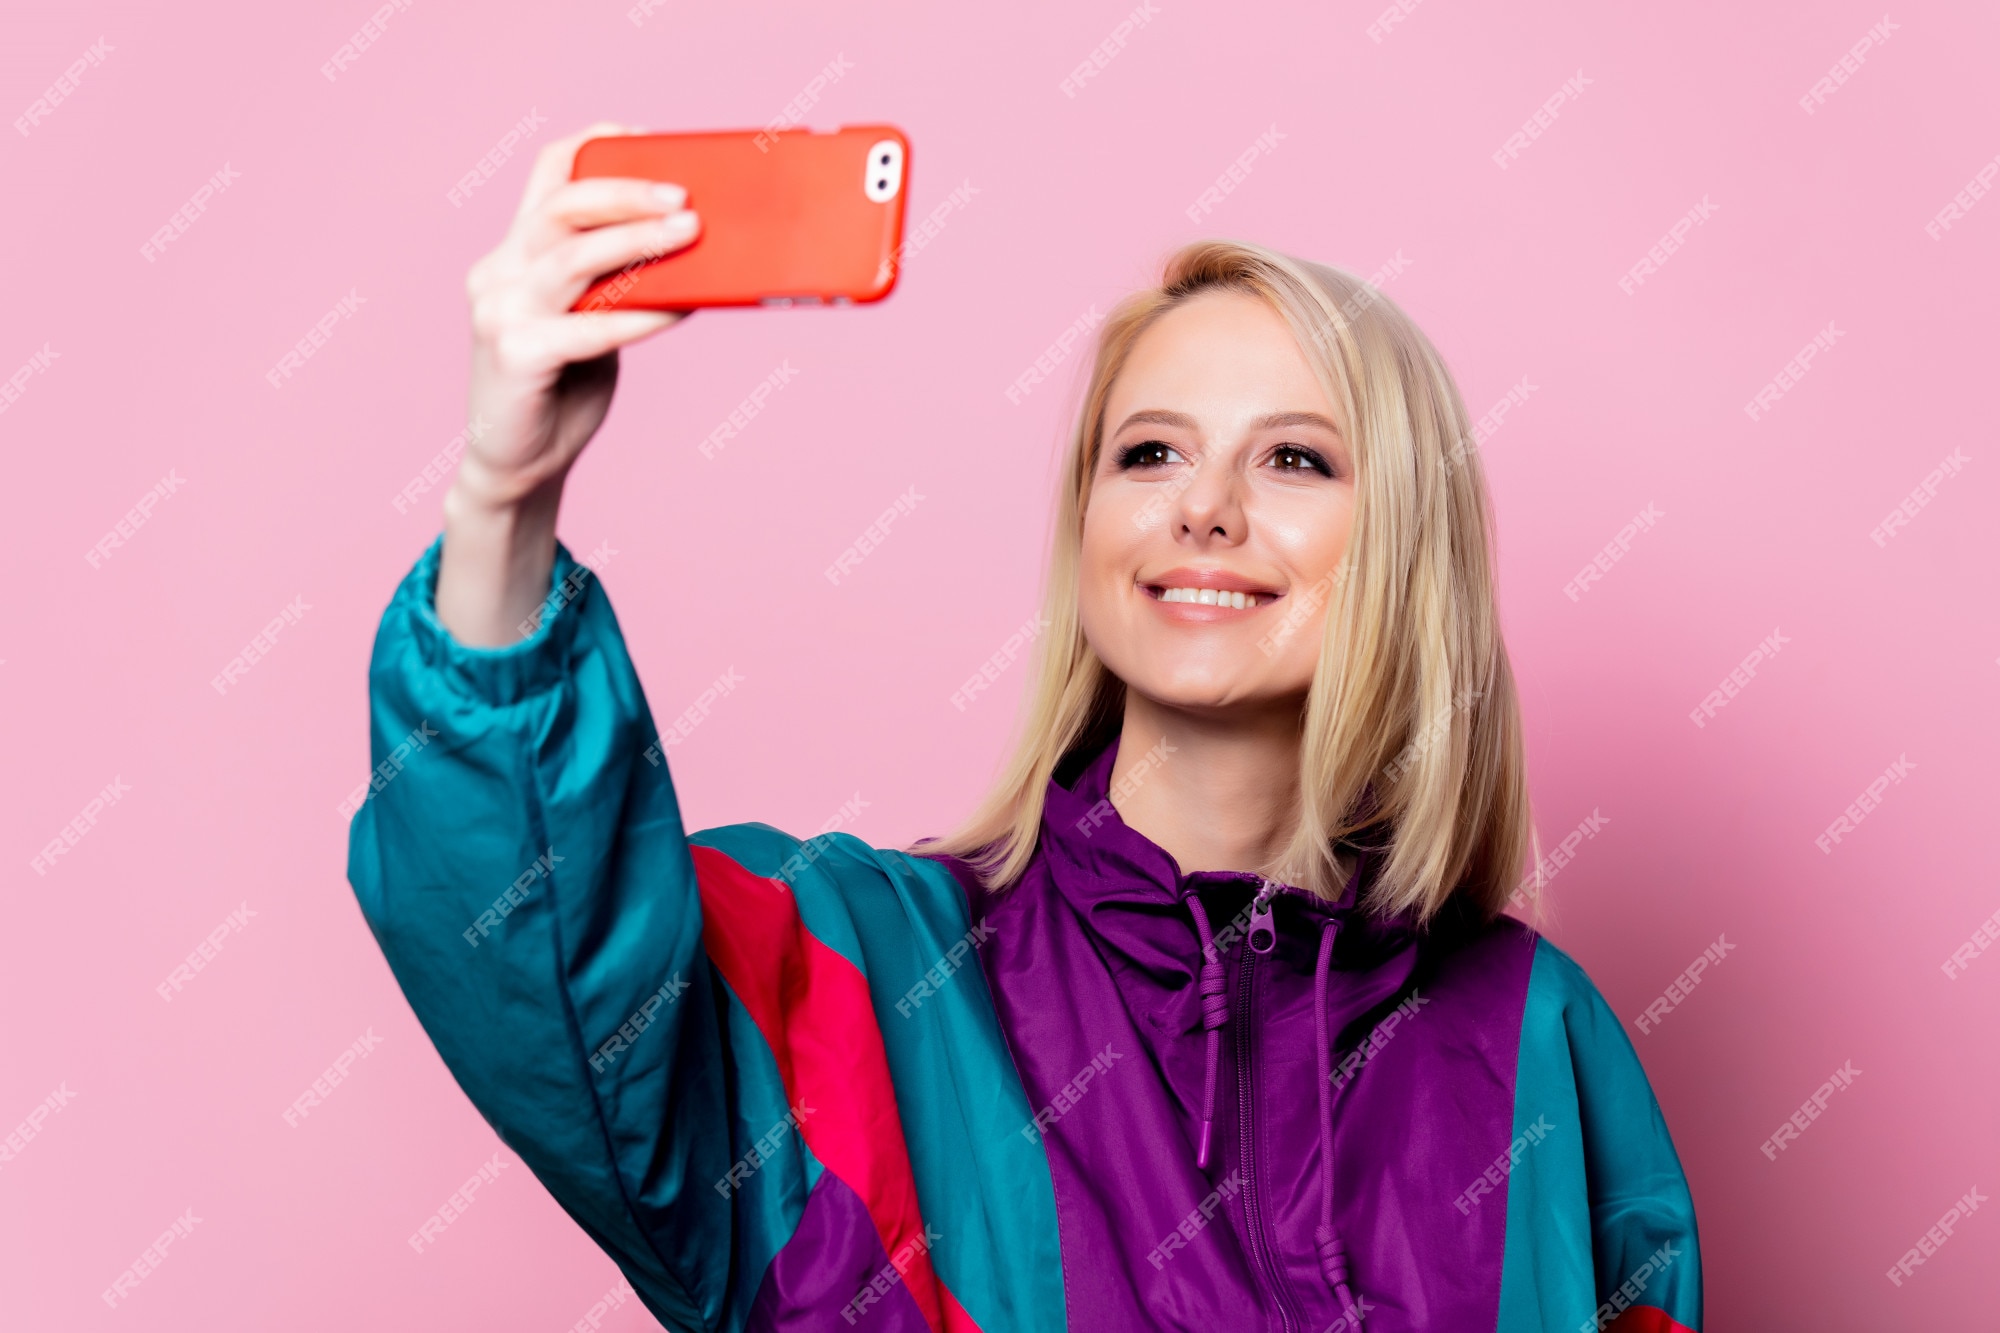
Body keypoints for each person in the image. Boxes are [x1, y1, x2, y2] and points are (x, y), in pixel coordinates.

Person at [347, 123, 1703, 1332]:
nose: (1204, 509)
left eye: (1295, 456)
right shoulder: (866, 973)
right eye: (1150, 452)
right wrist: (503, 498)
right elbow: (533, 957)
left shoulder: (1540, 1041)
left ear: (1409, 540)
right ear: (1089, 525)